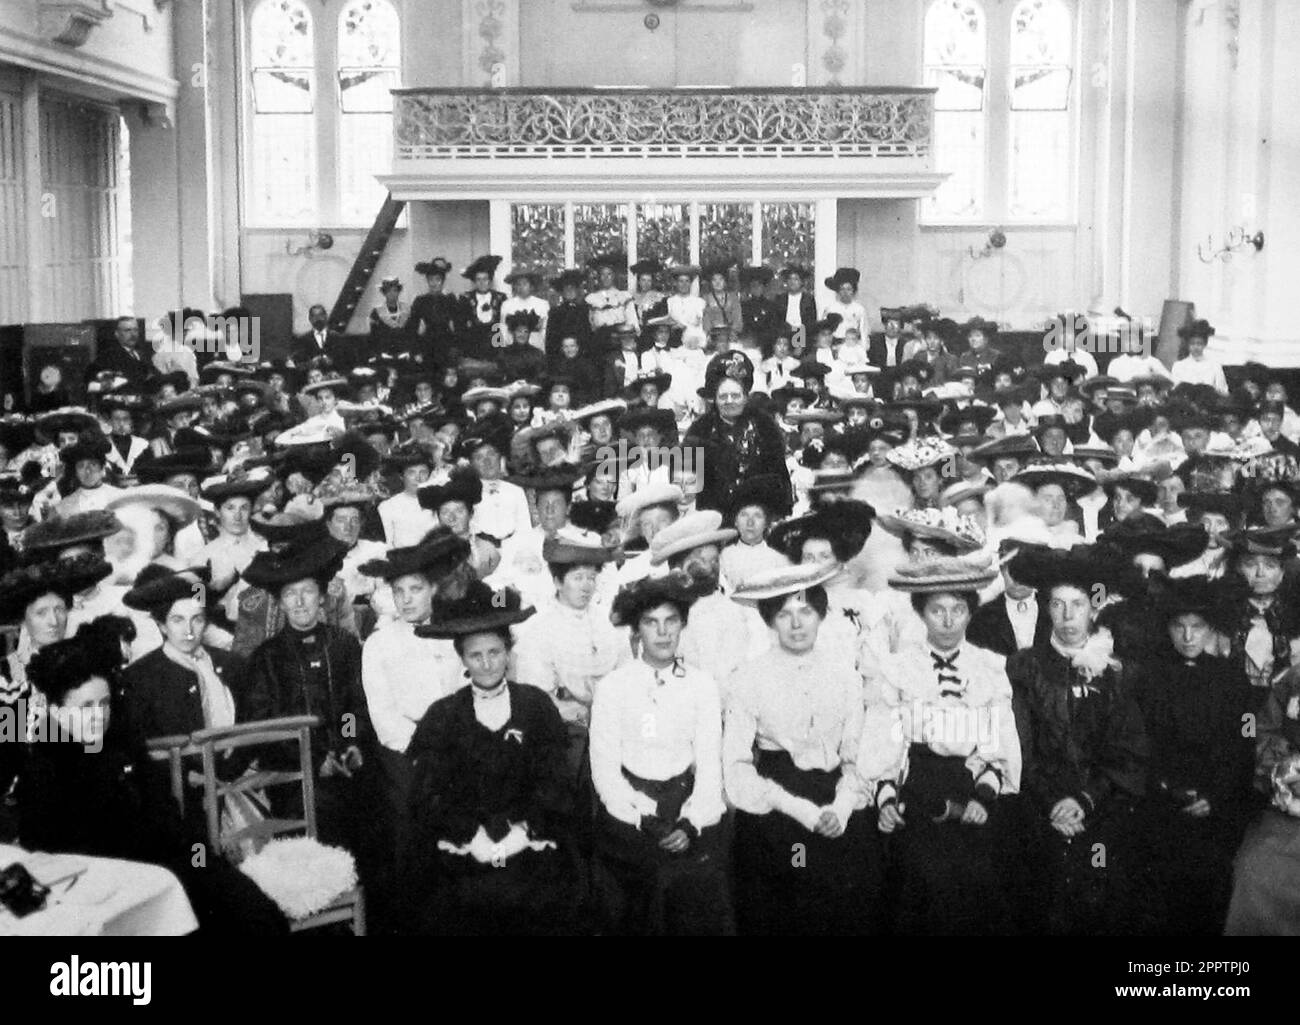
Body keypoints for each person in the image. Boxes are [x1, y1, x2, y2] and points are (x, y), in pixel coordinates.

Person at [17, 637, 288, 934]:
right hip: (112, 881)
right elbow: (49, 850)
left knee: (250, 907)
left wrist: (196, 855)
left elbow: (166, 810)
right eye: (85, 707)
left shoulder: (124, 747)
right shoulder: (43, 767)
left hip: (168, 859)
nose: (98, 716)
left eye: (104, 703)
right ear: (57, 713)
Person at [405, 583, 579, 936]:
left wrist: (521, 832)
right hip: (466, 845)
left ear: (508, 652)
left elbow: (555, 782)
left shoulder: (536, 706)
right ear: (463, 660)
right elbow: (430, 793)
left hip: (529, 839)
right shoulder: (443, 714)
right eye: (476, 655)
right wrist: (473, 837)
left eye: (495, 652)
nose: (487, 663)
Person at [862, 554, 1022, 934]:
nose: (948, 621)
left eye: (958, 610)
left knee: (976, 890)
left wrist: (984, 796)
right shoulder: (898, 668)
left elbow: (998, 742)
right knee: (918, 888)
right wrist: (885, 797)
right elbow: (884, 741)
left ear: (970, 613)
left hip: (974, 791)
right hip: (917, 792)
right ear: (921, 613)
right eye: (937, 611)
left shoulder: (990, 666)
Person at [724, 562, 880, 935]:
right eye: (784, 615)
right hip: (777, 808)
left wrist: (841, 808)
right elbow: (737, 765)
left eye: (806, 612)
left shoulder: (845, 674)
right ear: (770, 621)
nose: (796, 625)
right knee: (791, 897)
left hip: (838, 805)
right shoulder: (749, 678)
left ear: (821, 615)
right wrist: (798, 809)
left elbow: (858, 753)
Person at [1005, 544, 1150, 934]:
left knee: (1099, 888)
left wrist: (1085, 801)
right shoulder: (1025, 668)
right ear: (1045, 608)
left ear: (1094, 608)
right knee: (1043, 898)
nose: (1067, 616)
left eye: (1078, 604)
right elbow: (1020, 747)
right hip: (1040, 809)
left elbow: (1128, 752)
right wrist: (1054, 802)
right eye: (1057, 605)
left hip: (1101, 812)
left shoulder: (1119, 673)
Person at [589, 575, 732, 935]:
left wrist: (691, 822)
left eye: (671, 621)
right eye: (651, 623)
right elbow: (605, 772)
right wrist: (643, 818)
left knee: (693, 894)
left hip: (685, 806)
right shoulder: (613, 687)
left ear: (683, 624)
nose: (663, 633)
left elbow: (710, 767)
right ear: (637, 630)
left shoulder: (701, 685)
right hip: (629, 815)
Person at [1133, 576, 1254, 934]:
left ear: (1210, 630)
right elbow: (1139, 741)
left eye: (1197, 628)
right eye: (1179, 627)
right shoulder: (1148, 677)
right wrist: (1164, 786)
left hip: (1216, 804)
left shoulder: (1233, 680)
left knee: (1211, 885)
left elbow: (1244, 743)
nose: (1188, 637)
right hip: (1159, 799)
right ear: (1168, 629)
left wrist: (1215, 796)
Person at [240, 539, 369, 853]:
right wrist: (314, 760)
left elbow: (354, 706)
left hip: (345, 767)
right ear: (280, 603)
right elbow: (262, 726)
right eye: (290, 594)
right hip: (293, 776)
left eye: (307, 592)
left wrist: (349, 743)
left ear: (322, 598)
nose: (299, 602)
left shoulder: (344, 645)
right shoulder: (266, 657)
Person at [684, 362, 792, 519]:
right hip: (713, 514)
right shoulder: (699, 430)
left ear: (745, 398)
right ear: (715, 400)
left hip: (758, 512)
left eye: (735, 396)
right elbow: (688, 479)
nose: (729, 401)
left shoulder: (765, 426)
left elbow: (779, 475)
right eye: (722, 396)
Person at [368, 277, 411, 350]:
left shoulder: (407, 309)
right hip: (384, 351)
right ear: (384, 293)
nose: (392, 294)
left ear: (399, 291)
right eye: (388, 291)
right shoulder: (376, 311)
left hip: (405, 350)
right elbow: (373, 336)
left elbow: (412, 332)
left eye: (395, 290)